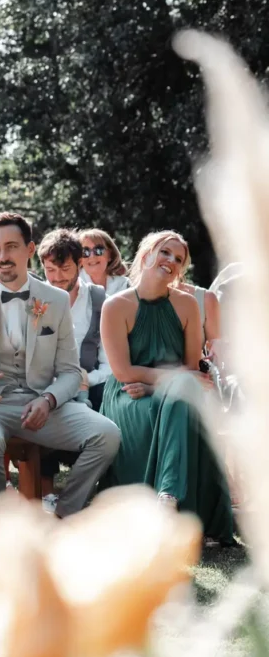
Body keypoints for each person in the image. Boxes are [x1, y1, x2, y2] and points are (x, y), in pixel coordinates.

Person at [0, 212, 121, 518]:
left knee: (107, 435)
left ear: (29, 249)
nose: (2, 256)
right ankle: (5, 522)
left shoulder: (55, 299)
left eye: (11, 246)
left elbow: (69, 370)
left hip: (42, 403)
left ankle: (64, 515)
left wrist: (49, 398)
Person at [99, 230, 233, 541]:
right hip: (127, 394)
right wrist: (165, 384)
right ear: (146, 254)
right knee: (182, 398)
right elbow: (123, 371)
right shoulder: (115, 306)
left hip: (169, 389)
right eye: (165, 252)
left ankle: (168, 498)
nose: (170, 261)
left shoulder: (188, 305)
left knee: (181, 400)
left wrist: (158, 386)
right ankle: (167, 499)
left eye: (178, 259)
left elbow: (189, 366)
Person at [38, 229, 111, 410]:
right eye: (50, 270)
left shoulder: (101, 301)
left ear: (80, 264)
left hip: (92, 391)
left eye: (65, 269)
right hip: (44, 391)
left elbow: (109, 364)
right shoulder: (33, 300)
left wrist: (86, 379)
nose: (57, 278)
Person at [78, 228, 130, 294]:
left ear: (110, 255)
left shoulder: (124, 285)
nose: (92, 256)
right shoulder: (74, 286)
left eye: (98, 250)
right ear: (80, 259)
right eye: (85, 252)